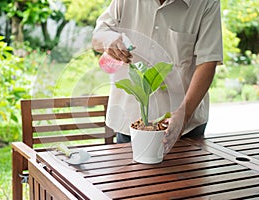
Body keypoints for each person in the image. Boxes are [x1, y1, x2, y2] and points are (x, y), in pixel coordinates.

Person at [92, 0, 223, 153]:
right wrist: (108, 40)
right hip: (130, 124)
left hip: (184, 129)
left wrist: (183, 116)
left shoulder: (206, 3)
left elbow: (208, 62)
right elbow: (98, 35)